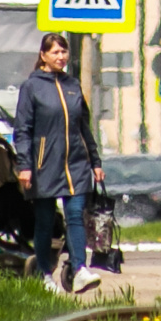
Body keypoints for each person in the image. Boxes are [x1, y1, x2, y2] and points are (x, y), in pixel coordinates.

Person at [11, 32, 106, 292]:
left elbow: (84, 128)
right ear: (43, 56)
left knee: (75, 215)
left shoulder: (72, 85)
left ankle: (79, 269)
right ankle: (44, 274)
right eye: (55, 52)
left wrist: (95, 162)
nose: (61, 56)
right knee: (44, 221)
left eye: (64, 52)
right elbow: (22, 129)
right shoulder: (32, 87)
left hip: (75, 163)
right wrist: (25, 165)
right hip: (44, 166)